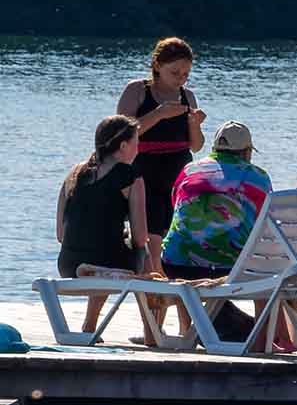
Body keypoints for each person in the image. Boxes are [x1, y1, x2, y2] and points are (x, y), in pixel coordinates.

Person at [160, 121, 278, 347]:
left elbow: (177, 207)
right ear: (247, 152)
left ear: (214, 148)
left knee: (183, 243)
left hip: (177, 265)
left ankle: (188, 330)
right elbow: (266, 222)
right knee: (262, 261)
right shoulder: (258, 176)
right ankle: (261, 339)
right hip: (232, 268)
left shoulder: (189, 170)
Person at [55, 116, 155, 336]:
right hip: (107, 265)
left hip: (68, 265)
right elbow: (140, 238)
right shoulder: (131, 176)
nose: (138, 150)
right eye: (136, 143)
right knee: (144, 249)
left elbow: (61, 235)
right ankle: (151, 331)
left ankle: (90, 324)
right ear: (123, 146)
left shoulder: (74, 174)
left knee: (102, 247)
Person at [115, 37, 206, 266]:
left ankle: (167, 281)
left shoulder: (187, 96)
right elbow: (120, 135)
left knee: (175, 236)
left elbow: (196, 146)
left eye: (186, 74)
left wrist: (195, 125)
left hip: (179, 174)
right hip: (144, 171)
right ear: (157, 65)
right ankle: (152, 279)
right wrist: (159, 114)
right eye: (175, 72)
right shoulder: (137, 90)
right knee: (151, 238)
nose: (181, 79)